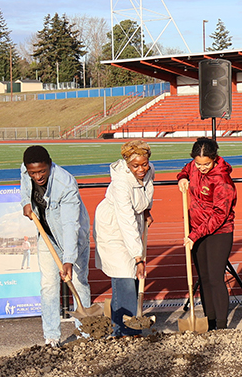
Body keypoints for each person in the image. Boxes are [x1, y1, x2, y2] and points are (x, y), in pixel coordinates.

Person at [19, 145, 92, 347]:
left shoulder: (66, 184)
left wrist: (68, 259)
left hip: (73, 239)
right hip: (46, 236)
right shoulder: (26, 171)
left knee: (78, 283)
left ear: (50, 164)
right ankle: (51, 335)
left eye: (42, 171)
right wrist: (26, 201)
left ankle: (85, 332)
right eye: (33, 172)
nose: (38, 176)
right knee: (49, 286)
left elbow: (70, 225)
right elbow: (25, 186)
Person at [94, 140, 154, 337]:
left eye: (144, 164)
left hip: (133, 219)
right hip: (113, 225)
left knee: (133, 276)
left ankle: (121, 326)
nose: (141, 169)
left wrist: (146, 210)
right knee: (125, 276)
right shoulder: (120, 184)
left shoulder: (149, 170)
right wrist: (139, 258)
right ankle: (125, 331)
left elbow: (148, 190)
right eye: (135, 166)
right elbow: (125, 220)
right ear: (127, 164)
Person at [178, 137, 237, 331]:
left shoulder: (222, 180)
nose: (201, 168)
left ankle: (221, 325)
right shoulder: (193, 166)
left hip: (219, 232)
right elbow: (186, 169)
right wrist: (182, 178)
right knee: (203, 277)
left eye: (206, 164)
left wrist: (195, 235)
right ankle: (209, 320)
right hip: (197, 230)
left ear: (214, 158)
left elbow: (220, 214)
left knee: (214, 277)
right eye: (198, 163)